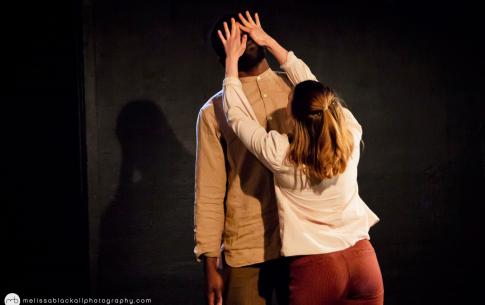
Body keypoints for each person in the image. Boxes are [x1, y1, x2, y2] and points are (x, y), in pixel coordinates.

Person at [218, 12, 384, 305]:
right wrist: (268, 40)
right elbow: (312, 87)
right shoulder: (351, 134)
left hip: (318, 270)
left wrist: (231, 61)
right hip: (364, 262)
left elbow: (236, 115)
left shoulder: (281, 154)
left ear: (293, 117)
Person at [194, 12, 294, 305]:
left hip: (301, 241)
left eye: (246, 32)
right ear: (222, 52)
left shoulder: (295, 88)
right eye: (232, 36)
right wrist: (210, 265)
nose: (243, 39)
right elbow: (209, 191)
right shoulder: (214, 111)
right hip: (246, 247)